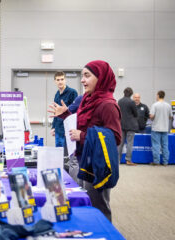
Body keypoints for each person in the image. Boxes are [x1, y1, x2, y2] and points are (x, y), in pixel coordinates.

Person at [49, 60, 121, 222]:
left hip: (97, 164)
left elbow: (115, 137)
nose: (82, 80)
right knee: (86, 204)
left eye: (87, 76)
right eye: (82, 76)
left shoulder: (108, 105)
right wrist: (65, 115)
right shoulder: (88, 100)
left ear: (101, 78)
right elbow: (82, 123)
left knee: (99, 207)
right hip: (84, 160)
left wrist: (82, 136)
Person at [51, 71, 78, 150]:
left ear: (65, 80)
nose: (60, 82)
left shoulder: (72, 92)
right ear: (55, 81)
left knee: (67, 157)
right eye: (58, 80)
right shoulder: (57, 94)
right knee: (58, 154)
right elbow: (56, 112)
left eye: (62, 79)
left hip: (68, 131)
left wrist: (70, 128)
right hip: (58, 130)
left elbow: (75, 113)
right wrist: (53, 127)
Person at [149, 90, 172, 166]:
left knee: (156, 145)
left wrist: (152, 117)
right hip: (165, 128)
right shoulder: (168, 105)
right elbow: (170, 117)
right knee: (165, 146)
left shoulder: (155, 105)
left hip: (156, 128)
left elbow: (151, 116)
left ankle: (156, 162)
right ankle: (165, 162)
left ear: (158, 95)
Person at [118, 87, 138, 166]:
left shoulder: (119, 101)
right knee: (130, 143)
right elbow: (136, 114)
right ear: (131, 94)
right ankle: (128, 160)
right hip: (131, 126)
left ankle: (117, 160)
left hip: (121, 125)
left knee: (120, 143)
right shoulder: (131, 102)